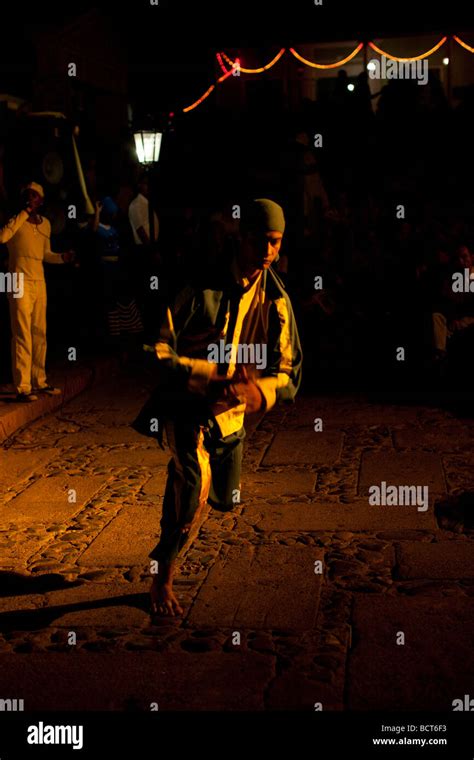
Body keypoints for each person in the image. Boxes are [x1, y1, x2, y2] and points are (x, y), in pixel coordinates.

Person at [133, 199, 303, 616]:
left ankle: (179, 508)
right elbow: (156, 348)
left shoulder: (276, 298)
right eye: (260, 241)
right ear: (240, 239)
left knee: (221, 499)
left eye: (275, 242)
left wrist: (259, 389)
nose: (267, 251)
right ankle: (162, 577)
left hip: (230, 416)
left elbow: (290, 368)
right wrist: (204, 373)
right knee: (194, 485)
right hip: (186, 406)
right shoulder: (200, 285)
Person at [0, 182, 74, 402]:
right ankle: (22, 387)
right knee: (22, 333)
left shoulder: (46, 225)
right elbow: (2, 237)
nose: (30, 198)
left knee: (39, 332)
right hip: (15, 280)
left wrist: (62, 258)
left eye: (34, 196)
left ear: (41, 200)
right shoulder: (16, 219)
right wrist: (24, 212)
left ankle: (38, 381)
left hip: (38, 280)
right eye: (27, 195)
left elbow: (45, 254)